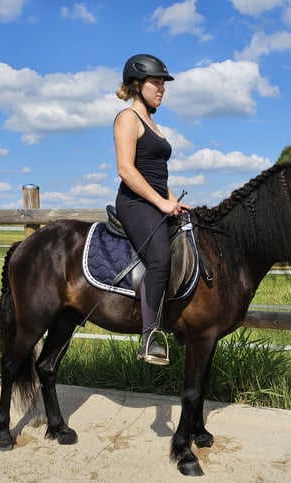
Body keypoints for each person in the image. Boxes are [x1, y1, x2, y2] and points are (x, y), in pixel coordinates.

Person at [113, 53, 188, 366]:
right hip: (134, 203)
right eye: (156, 82)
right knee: (159, 259)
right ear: (136, 84)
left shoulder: (153, 124)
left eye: (163, 83)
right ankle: (149, 336)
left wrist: (173, 200)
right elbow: (127, 170)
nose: (162, 88)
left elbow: (157, 173)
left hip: (156, 200)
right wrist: (160, 203)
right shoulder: (127, 119)